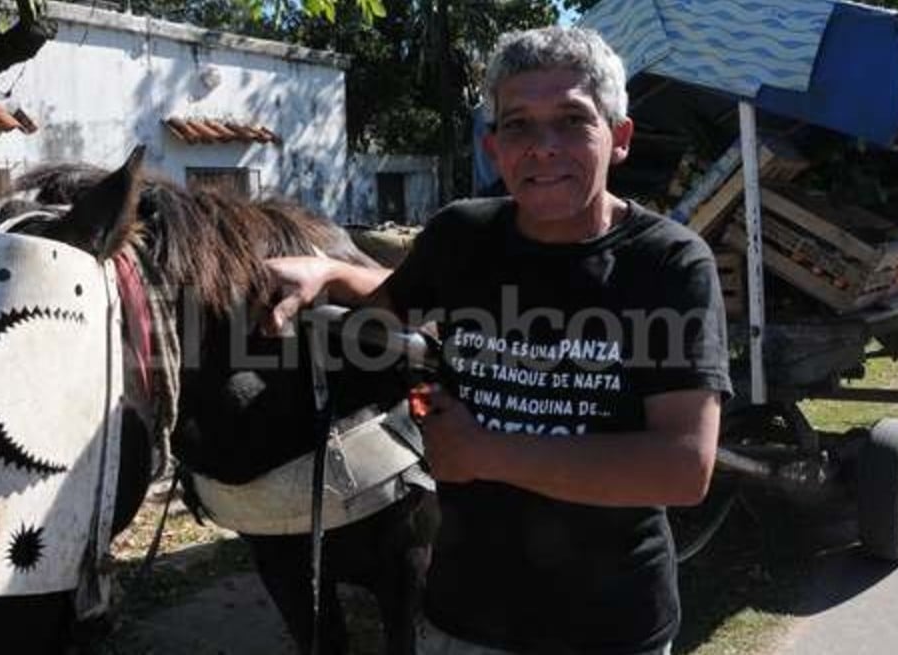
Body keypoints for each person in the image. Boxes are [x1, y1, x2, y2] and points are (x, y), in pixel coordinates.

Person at [266, 26, 731, 655]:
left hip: (610, 631)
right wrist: (328, 272)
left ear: (619, 139)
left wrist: (486, 453)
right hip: (460, 622)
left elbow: (682, 469)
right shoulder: (462, 235)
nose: (542, 147)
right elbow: (391, 304)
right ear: (493, 145)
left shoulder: (668, 265)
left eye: (572, 120)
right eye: (517, 125)